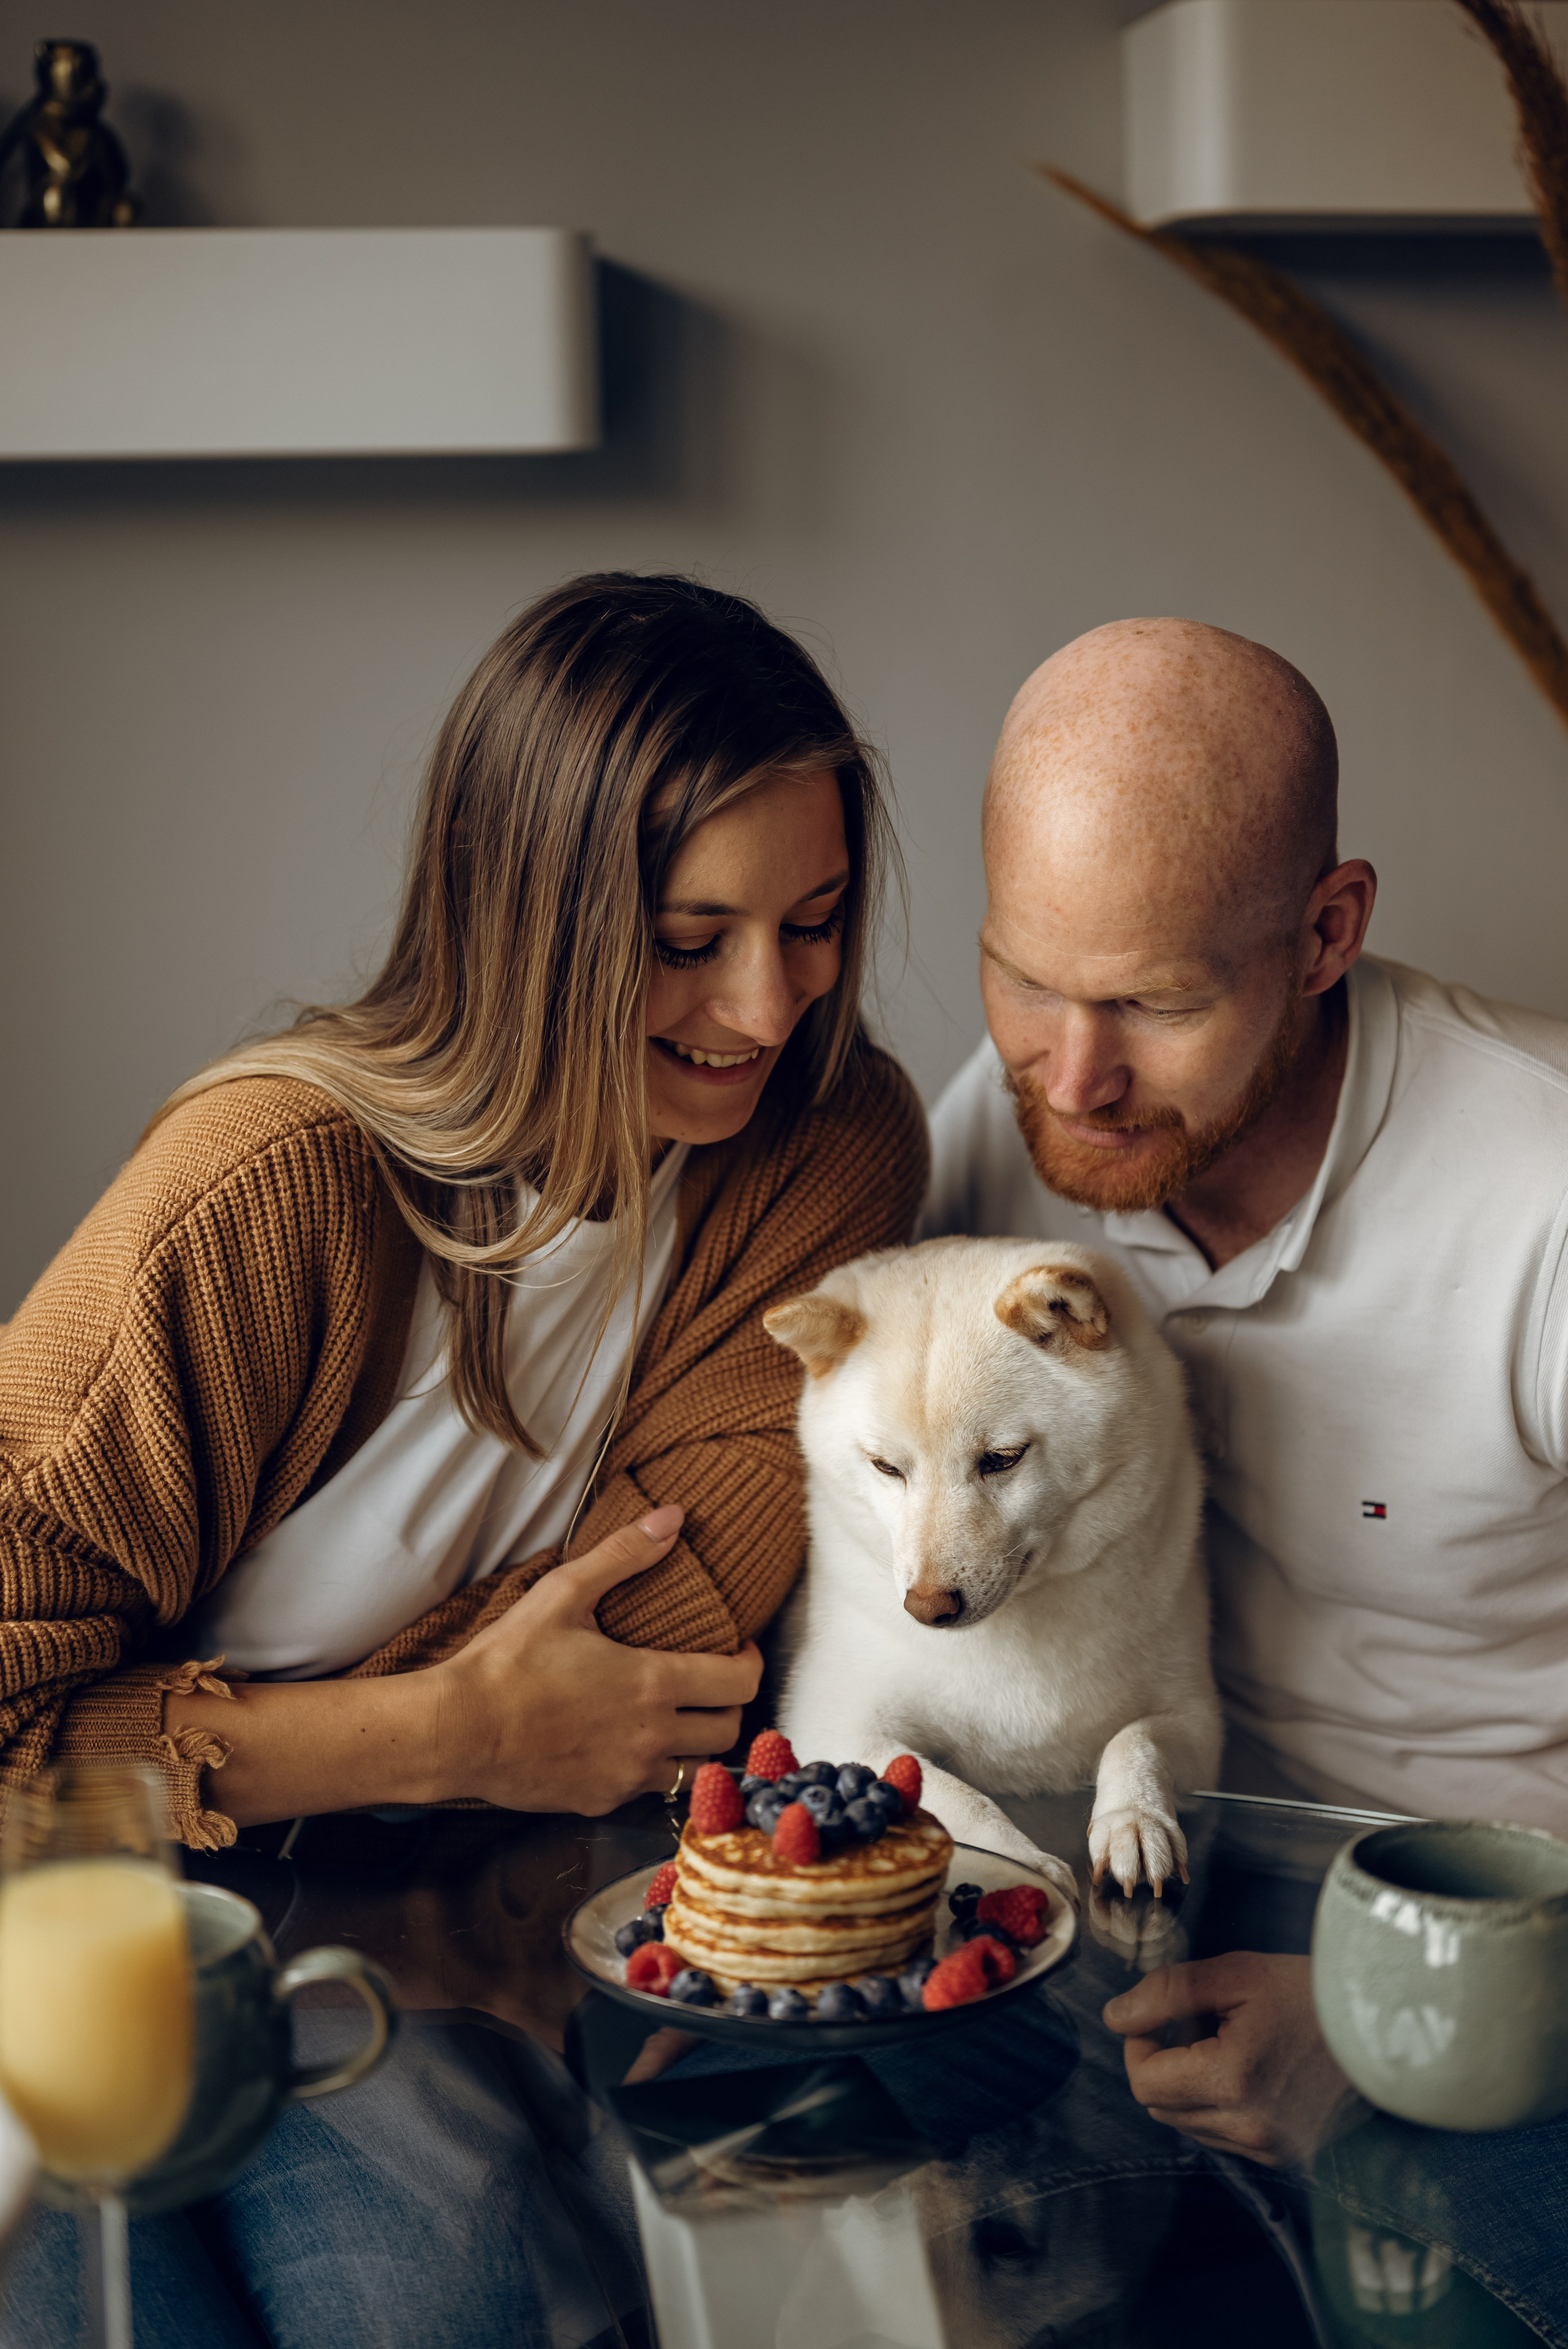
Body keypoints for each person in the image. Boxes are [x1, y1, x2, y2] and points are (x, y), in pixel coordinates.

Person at [0, 573, 926, 2348]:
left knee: (451, 2296)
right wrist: (447, 1728)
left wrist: (240, 1735)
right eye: (689, 937)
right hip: (49, 1918)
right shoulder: (267, 1194)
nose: (766, 1004)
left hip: (397, 1913)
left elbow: (653, 1666)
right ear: (528, 923)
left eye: (813, 922)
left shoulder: (818, 1150)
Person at [924, 614, 1568, 2171]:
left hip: (1501, 1958)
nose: (1071, 1077)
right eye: (1022, 977)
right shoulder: (1010, 1125)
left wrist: (1390, 2023)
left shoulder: (1543, 1194)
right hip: (1113, 1892)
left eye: (1153, 1004)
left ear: (1325, 933)